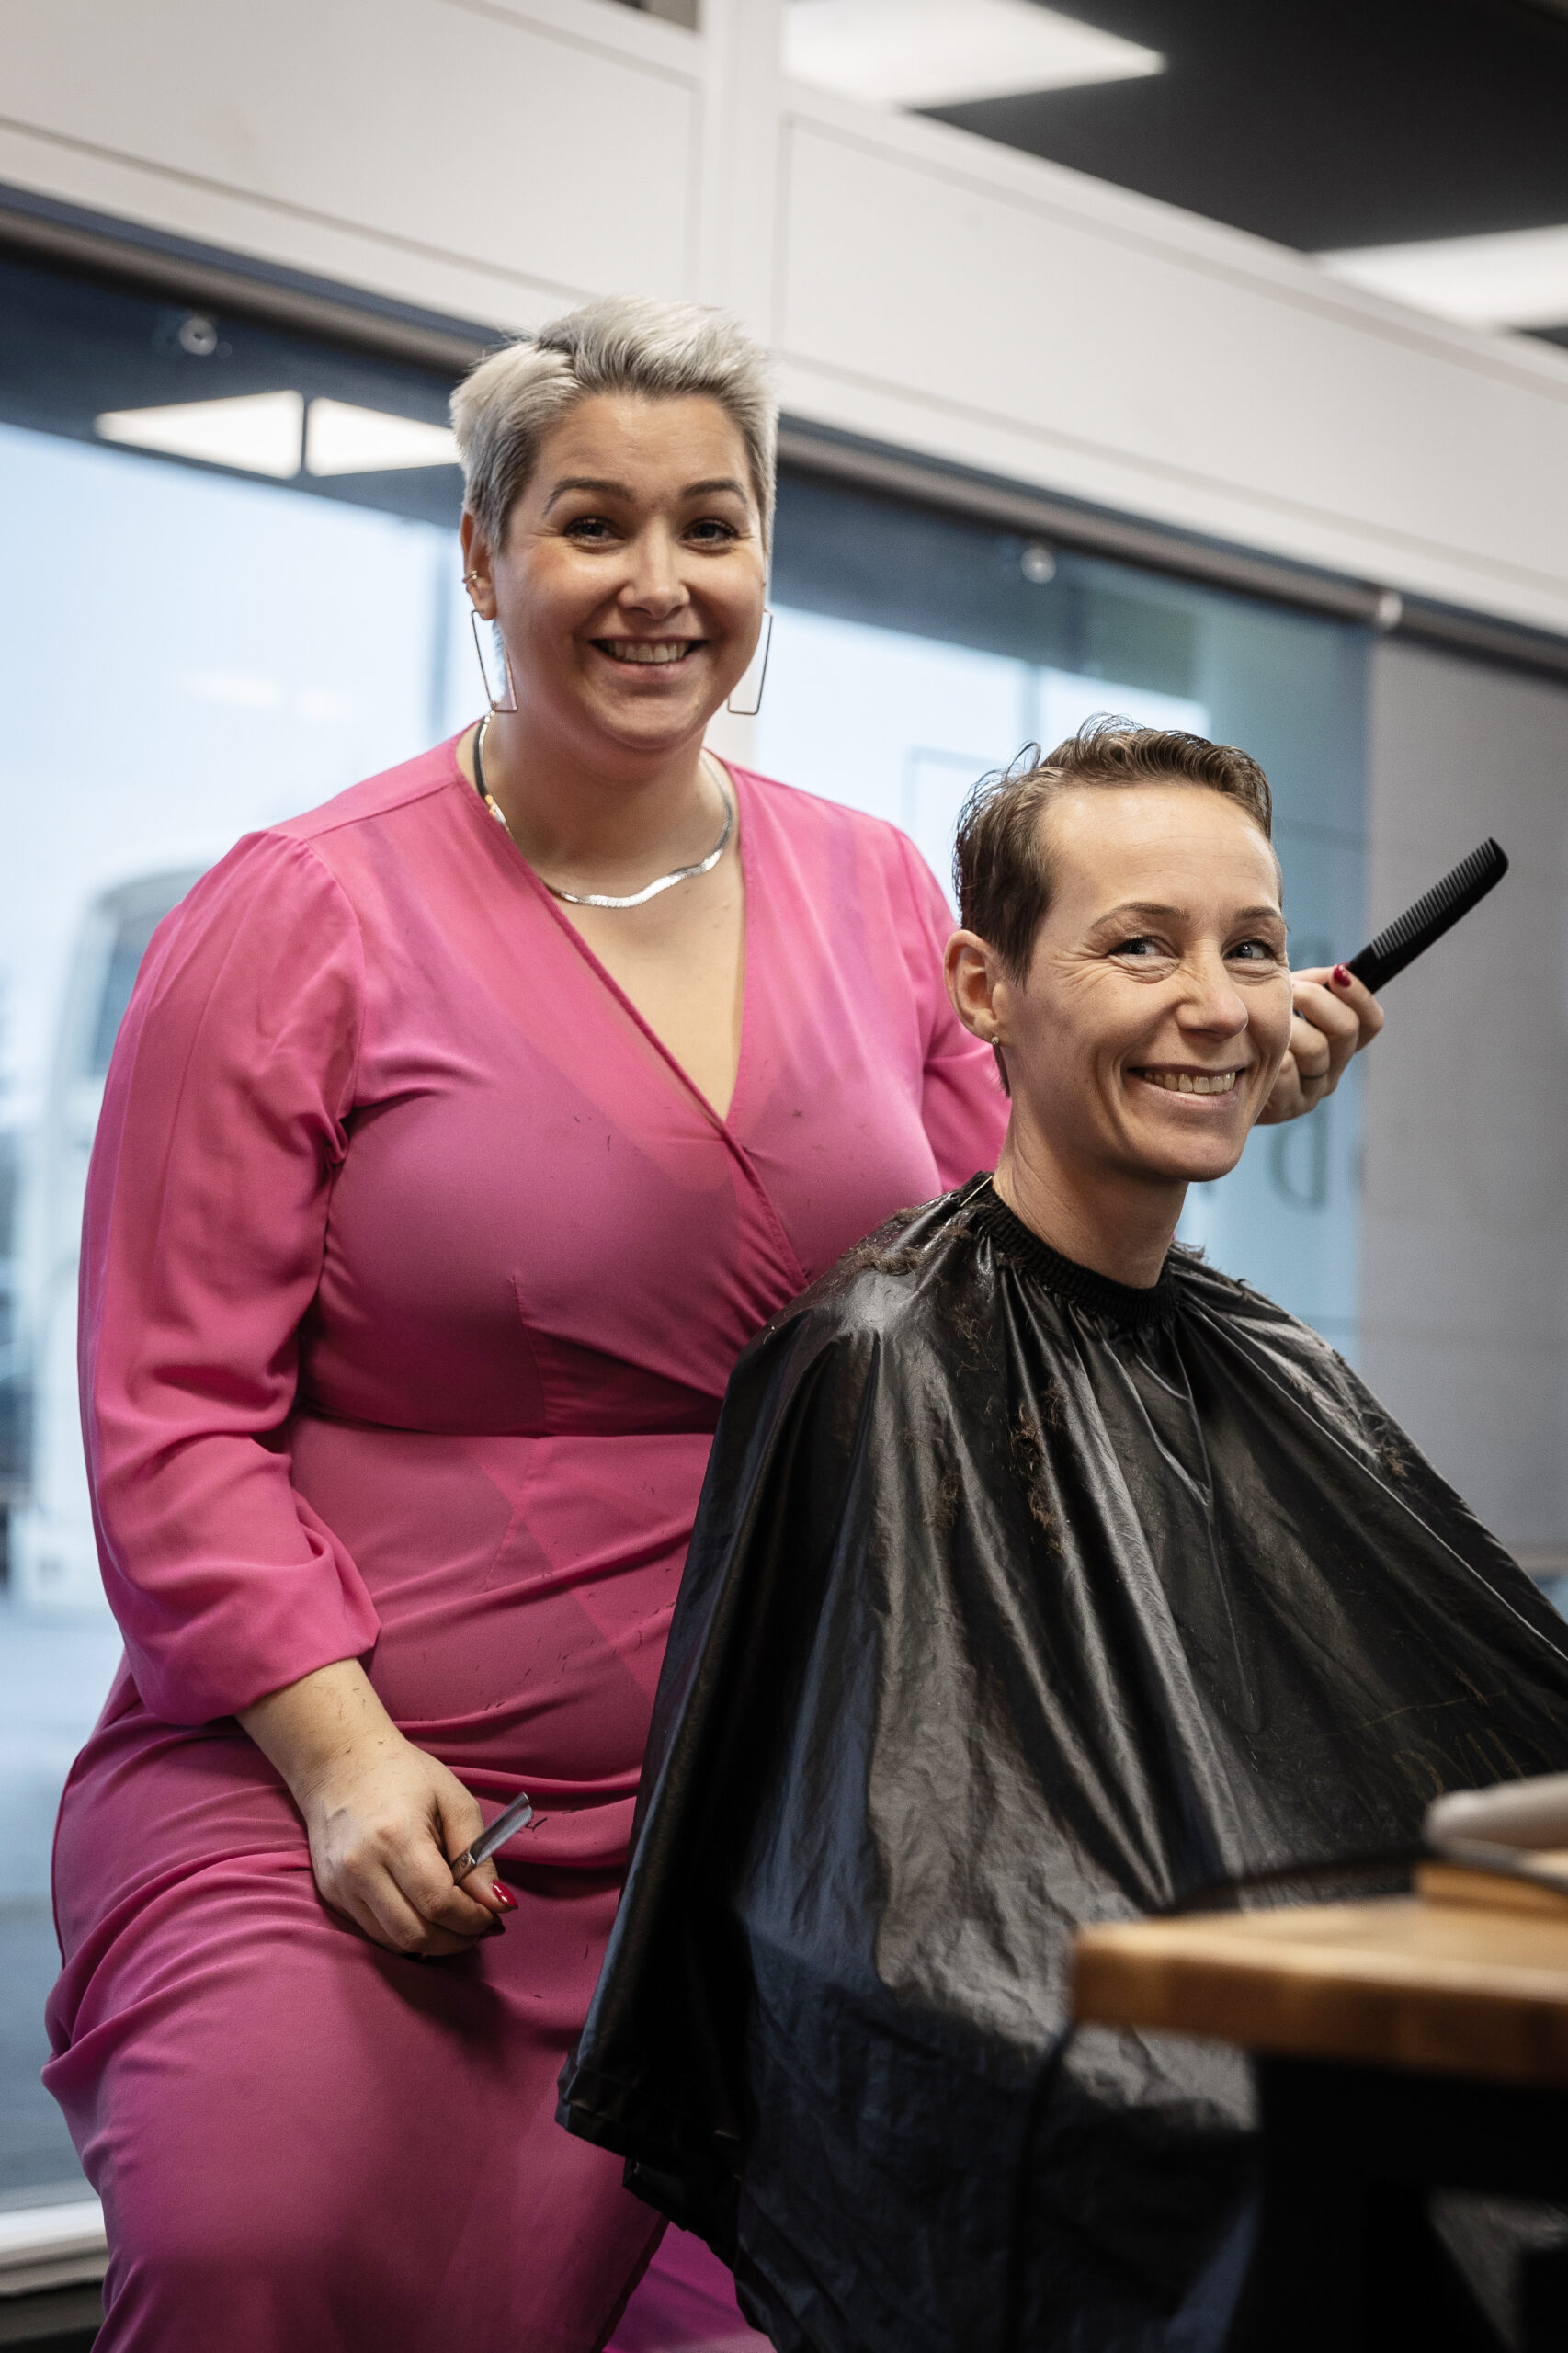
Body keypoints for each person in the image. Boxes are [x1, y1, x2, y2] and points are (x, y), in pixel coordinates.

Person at [43, 286, 1374, 2353]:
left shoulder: (877, 897)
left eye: (711, 525)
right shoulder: (296, 912)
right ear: (483, 554)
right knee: (258, 2242)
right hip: (368, 1808)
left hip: (780, 1817)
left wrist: (1189, 1084)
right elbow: (168, 1415)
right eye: (591, 523)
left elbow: (1009, 1288)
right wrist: (341, 1756)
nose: (657, 582)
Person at [558, 722, 1568, 2353]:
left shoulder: (1267, 1363)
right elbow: (876, 1931)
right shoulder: (877, 1359)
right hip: (1112, 2138)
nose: (1215, 1002)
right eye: (1139, 946)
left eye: (1251, 950)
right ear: (983, 988)